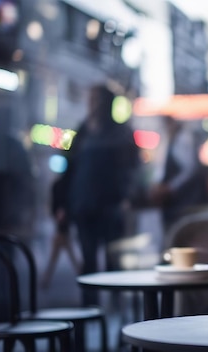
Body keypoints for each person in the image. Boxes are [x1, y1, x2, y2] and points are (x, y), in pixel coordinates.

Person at [64, 84, 141, 306]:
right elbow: (70, 170)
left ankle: (115, 309)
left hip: (111, 207)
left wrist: (127, 196)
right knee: (88, 261)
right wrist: (63, 205)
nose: (93, 104)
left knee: (112, 261)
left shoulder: (121, 132)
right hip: (83, 206)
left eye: (97, 99)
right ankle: (90, 308)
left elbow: (132, 169)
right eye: (91, 99)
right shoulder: (83, 132)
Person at [149, 116, 208, 237]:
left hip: (185, 203)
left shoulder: (183, 138)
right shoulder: (169, 139)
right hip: (174, 204)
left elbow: (190, 169)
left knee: (184, 236)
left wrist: (170, 188)